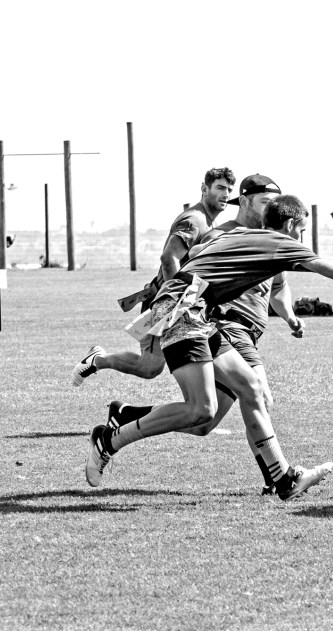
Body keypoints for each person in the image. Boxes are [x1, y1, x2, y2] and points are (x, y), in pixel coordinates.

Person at [85, 194, 333, 501]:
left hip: (196, 307)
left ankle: (283, 480)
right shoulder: (280, 242)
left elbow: (193, 252)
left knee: (251, 388)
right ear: (289, 225)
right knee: (202, 411)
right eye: (301, 230)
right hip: (184, 307)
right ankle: (110, 440)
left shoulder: (244, 234)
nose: (301, 237)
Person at [105, 175, 307, 493]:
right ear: (244, 202)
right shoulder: (221, 235)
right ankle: (279, 480)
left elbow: (279, 288)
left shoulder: (276, 241)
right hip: (226, 328)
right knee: (259, 395)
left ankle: (127, 416)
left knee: (203, 423)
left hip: (250, 333)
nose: (272, 211)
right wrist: (172, 314)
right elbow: (186, 275)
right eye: (265, 203)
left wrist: (291, 316)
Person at [72, 167, 236, 386]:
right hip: (166, 302)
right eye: (220, 188)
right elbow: (169, 258)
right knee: (149, 367)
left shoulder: (211, 222)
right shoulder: (195, 219)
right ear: (204, 189)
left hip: (188, 303)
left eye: (229, 189)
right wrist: (178, 303)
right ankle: (97, 360)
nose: (225, 194)